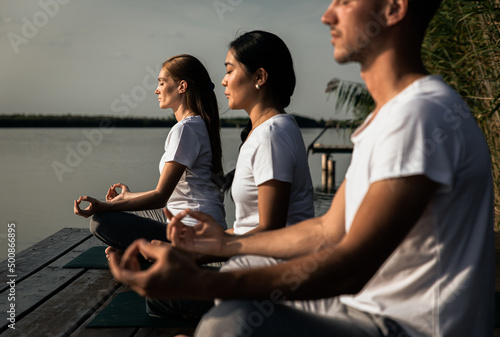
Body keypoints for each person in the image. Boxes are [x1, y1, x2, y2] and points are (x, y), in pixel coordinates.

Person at [108, 1, 495, 336]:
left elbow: (351, 267)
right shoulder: (391, 116)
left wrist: (200, 280)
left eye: (344, 1)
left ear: (394, 8)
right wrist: (223, 244)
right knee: (224, 311)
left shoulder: (420, 115)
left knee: (230, 323)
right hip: (362, 308)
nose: (327, 15)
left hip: (402, 326)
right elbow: (329, 229)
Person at [73, 54, 227, 250]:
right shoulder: (198, 125)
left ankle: (148, 252)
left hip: (194, 232)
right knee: (123, 214)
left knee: (101, 221)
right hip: (194, 223)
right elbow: (168, 196)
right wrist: (127, 198)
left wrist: (104, 206)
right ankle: (142, 251)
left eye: (162, 83)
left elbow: (160, 197)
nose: (156, 90)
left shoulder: (185, 129)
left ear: (182, 86)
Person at [221, 30, 314, 235]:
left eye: (229, 70)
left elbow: (270, 231)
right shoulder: (268, 131)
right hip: (247, 256)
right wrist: (198, 240)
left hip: (266, 263)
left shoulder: (271, 135)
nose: (223, 81)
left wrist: (198, 251)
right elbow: (247, 227)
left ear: (260, 77)